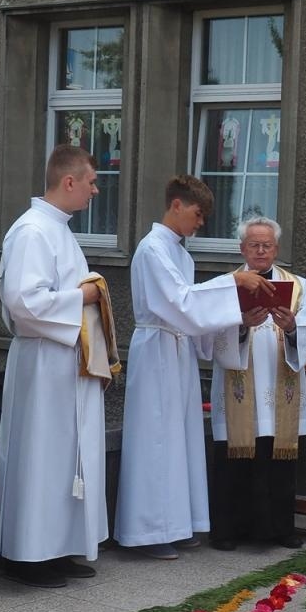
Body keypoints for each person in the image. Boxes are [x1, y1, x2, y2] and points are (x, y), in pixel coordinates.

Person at [116, 176, 269, 558]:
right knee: (155, 439)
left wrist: (238, 320)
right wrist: (232, 281)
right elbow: (180, 302)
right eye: (198, 214)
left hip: (179, 350)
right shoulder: (152, 248)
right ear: (177, 205)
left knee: (180, 438)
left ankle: (177, 523)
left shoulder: (181, 255)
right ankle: (148, 532)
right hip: (156, 350)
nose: (200, 223)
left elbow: (193, 312)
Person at [0, 145, 115, 588]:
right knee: (41, 456)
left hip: (67, 360)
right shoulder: (32, 231)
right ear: (69, 181)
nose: (95, 191)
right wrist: (83, 297)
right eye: (92, 182)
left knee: (66, 458)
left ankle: (58, 547)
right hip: (43, 362)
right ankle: (28, 556)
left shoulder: (59, 229)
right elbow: (22, 302)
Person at [207, 216, 306, 550]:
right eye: (254, 245)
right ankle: (229, 531)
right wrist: (242, 324)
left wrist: (292, 327)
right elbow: (210, 332)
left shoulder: (298, 286)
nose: (261, 251)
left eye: (267, 245)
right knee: (236, 459)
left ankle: (280, 529)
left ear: (276, 249)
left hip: (279, 387)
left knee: (277, 461)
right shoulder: (225, 285)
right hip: (239, 387)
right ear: (242, 248)